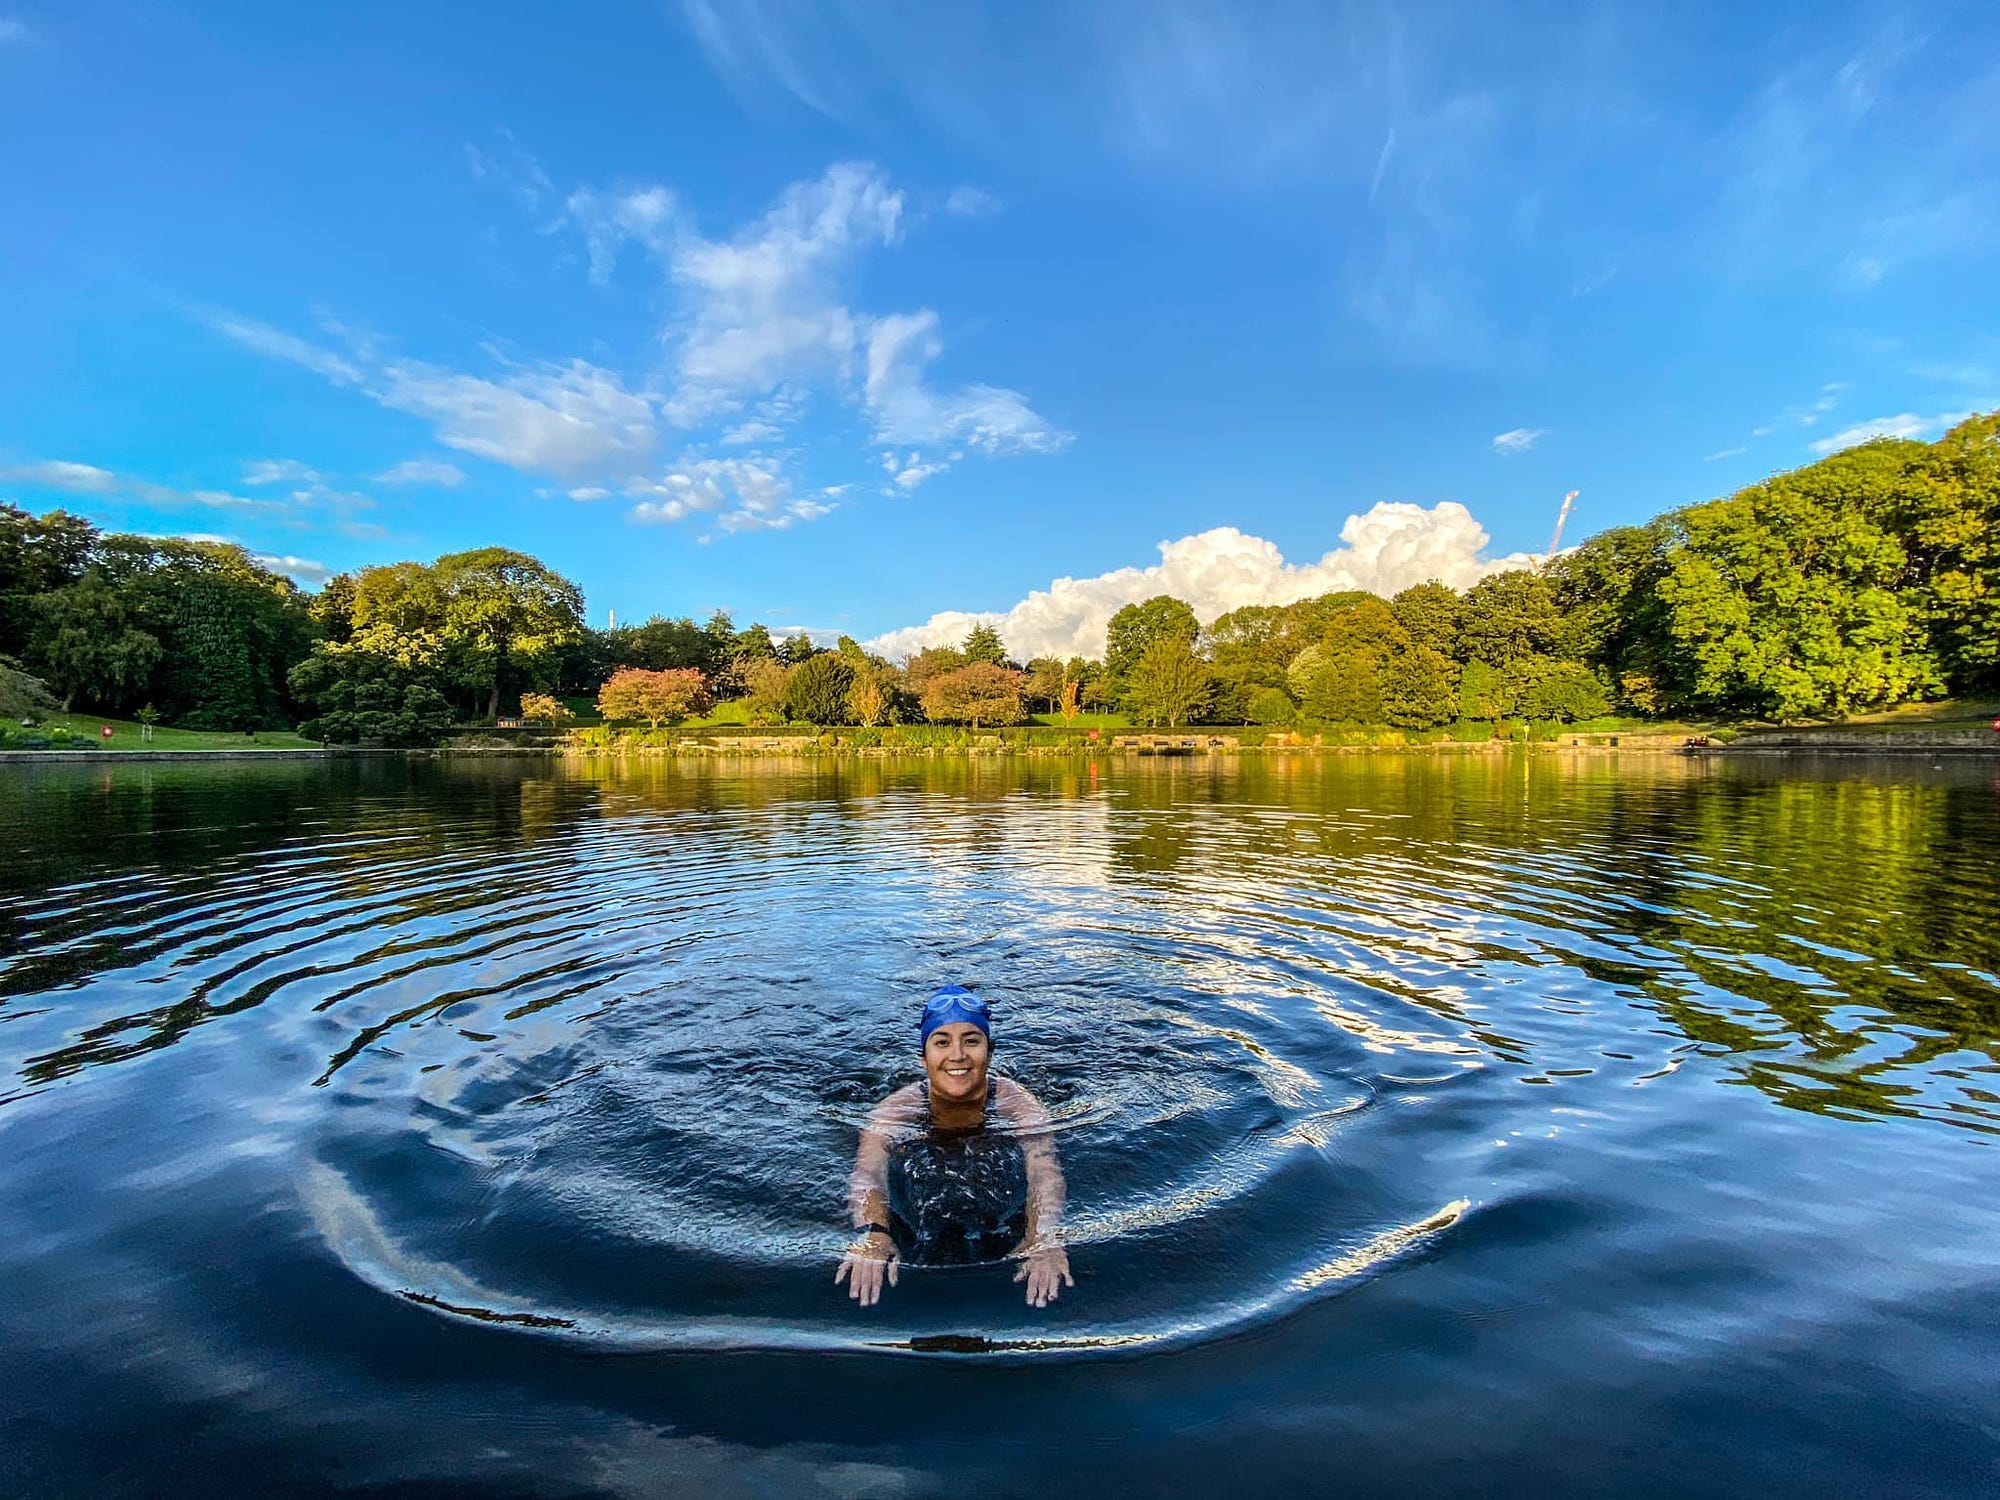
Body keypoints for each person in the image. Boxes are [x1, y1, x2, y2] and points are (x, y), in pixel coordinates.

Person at [836, 986, 1073, 1309]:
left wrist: (1043, 1236)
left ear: (989, 1051)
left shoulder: (1020, 1108)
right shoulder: (893, 1112)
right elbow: (868, 1177)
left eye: (971, 1040)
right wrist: (875, 1234)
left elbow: (1044, 1172)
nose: (958, 1055)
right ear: (924, 1058)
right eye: (942, 1042)